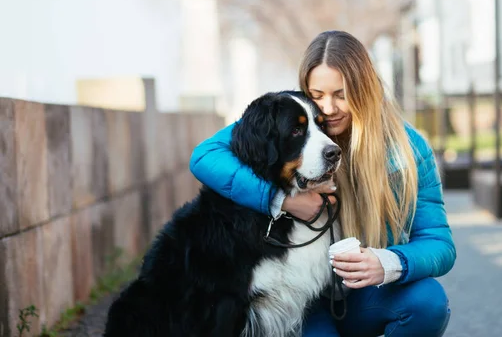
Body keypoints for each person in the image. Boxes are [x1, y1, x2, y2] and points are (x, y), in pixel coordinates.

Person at [189, 30, 456, 336]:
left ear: (363, 89)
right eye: (317, 95)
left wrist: (390, 262)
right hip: (305, 300)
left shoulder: (408, 149)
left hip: (366, 294)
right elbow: (205, 156)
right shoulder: (290, 119)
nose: (328, 108)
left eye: (341, 94)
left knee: (428, 301)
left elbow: (439, 242)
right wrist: (281, 200)